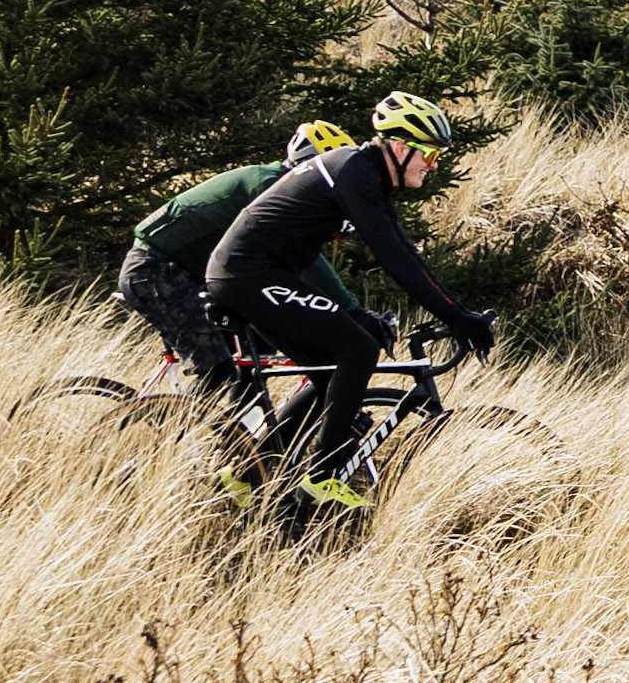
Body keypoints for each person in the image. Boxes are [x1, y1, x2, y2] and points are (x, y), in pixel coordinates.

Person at [201, 90, 497, 490]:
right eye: (429, 154)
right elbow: (394, 259)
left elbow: (405, 251)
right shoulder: (354, 171)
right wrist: (456, 316)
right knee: (357, 349)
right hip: (247, 273)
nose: (433, 165)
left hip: (251, 273)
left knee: (329, 375)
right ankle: (323, 478)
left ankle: (246, 478)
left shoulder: (367, 174)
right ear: (398, 146)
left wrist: (456, 311)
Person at [114, 121, 357, 385]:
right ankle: (187, 424)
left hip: (184, 275)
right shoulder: (267, 186)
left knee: (258, 349)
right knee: (218, 371)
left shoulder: (274, 183)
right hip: (156, 272)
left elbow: (288, 262)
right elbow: (310, 262)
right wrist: (351, 310)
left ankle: (237, 424)